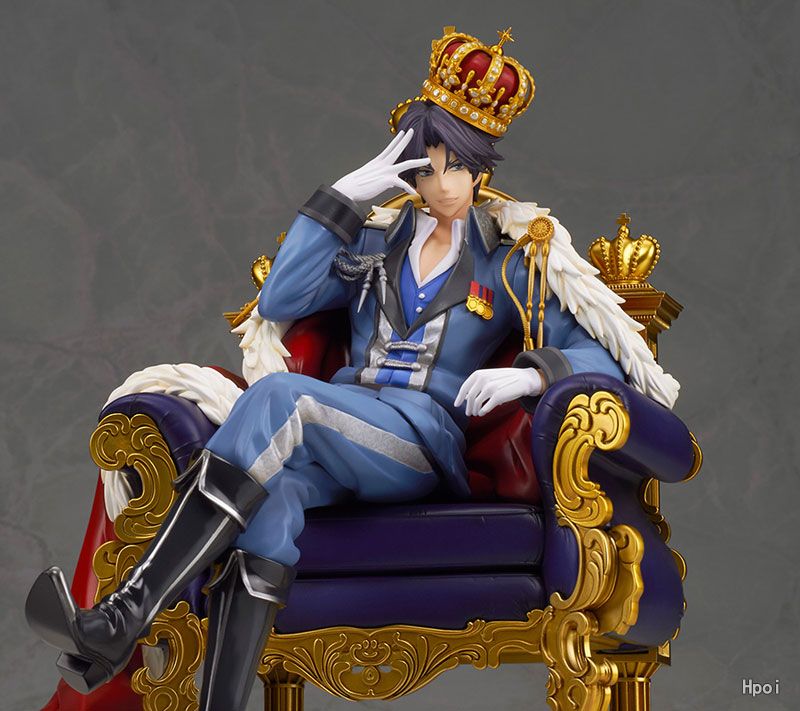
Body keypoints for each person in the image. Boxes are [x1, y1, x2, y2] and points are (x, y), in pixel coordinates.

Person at [25, 27, 674, 711]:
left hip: (416, 444)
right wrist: (339, 197)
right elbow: (280, 299)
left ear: (481, 169)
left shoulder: (509, 258)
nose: (441, 182)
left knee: (284, 399)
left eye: (456, 165)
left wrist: (531, 375)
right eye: (427, 164)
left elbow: (605, 354)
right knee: (271, 507)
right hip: (338, 431)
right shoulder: (374, 241)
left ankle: (123, 616)